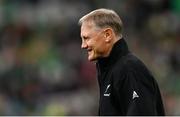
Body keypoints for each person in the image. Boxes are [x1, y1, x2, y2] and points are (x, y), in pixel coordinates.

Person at [78, 8, 165, 116]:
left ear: (107, 35)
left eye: (86, 38)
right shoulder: (110, 70)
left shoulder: (129, 69)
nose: (83, 45)